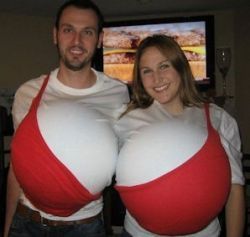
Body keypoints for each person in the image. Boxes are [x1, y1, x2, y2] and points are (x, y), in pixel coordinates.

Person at [4, 0, 129, 236]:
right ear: (55, 34)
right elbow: (17, 168)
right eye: (68, 30)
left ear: (100, 39)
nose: (77, 41)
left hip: (86, 226)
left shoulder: (118, 93)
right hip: (27, 222)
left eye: (87, 32)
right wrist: (7, 227)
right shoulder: (27, 93)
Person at [114, 34, 245, 237]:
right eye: (147, 71)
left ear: (180, 67)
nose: (157, 79)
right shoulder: (124, 117)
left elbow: (235, 187)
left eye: (164, 66)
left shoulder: (218, 118)